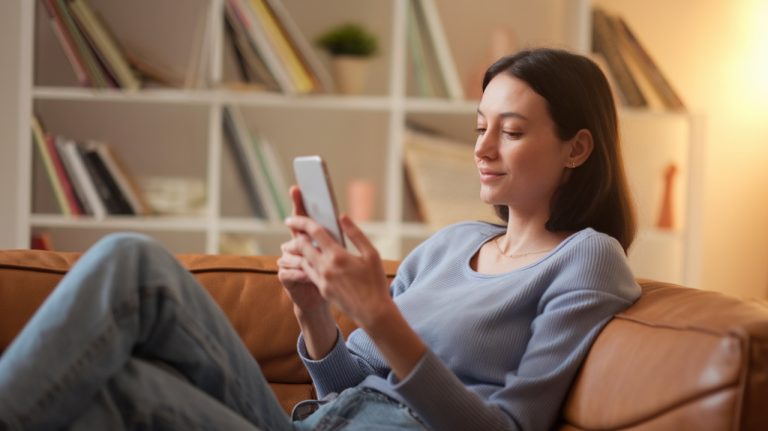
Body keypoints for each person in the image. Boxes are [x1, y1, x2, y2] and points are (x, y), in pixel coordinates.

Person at [0, 48, 641, 431]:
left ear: (576, 148)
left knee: (126, 342)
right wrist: (313, 310)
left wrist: (378, 312)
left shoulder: (587, 258)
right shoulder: (452, 244)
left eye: (511, 130)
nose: (480, 148)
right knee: (127, 275)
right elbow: (342, 385)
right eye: (479, 127)